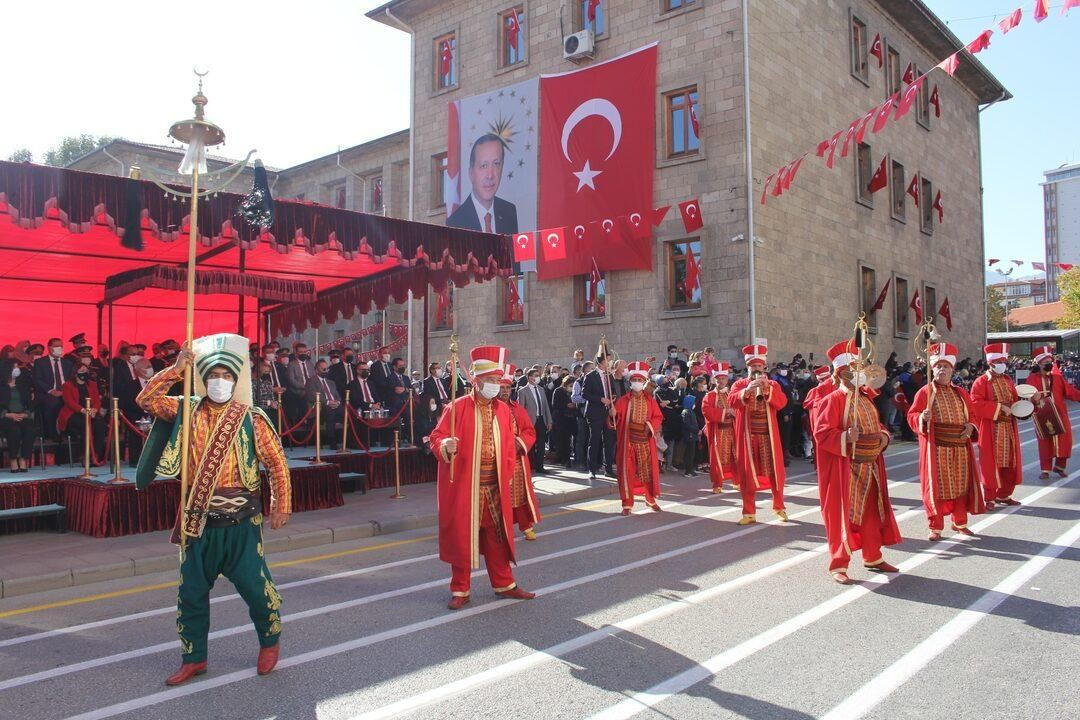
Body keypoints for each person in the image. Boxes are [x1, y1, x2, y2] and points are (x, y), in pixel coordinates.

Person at [135, 334, 290, 685]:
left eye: (226, 376)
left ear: (235, 381)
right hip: (197, 522)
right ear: (205, 380)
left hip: (241, 524)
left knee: (256, 589)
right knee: (190, 595)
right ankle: (194, 658)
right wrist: (176, 370)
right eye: (214, 376)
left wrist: (281, 505)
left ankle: (269, 641)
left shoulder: (251, 418)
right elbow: (146, 400)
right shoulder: (186, 410)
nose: (220, 381)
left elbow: (276, 464)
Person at [428, 345, 535, 609]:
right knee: (463, 537)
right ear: (477, 381)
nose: (496, 385)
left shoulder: (503, 410)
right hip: (467, 485)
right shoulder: (456, 407)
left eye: (498, 380)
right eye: (491, 380)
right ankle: (460, 589)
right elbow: (436, 437)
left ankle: (504, 584)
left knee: (497, 536)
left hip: (495, 484)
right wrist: (445, 445)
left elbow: (507, 444)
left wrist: (506, 472)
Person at [813, 340, 902, 584]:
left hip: (870, 465)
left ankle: (873, 556)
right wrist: (844, 437)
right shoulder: (832, 400)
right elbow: (821, 433)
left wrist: (883, 436)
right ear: (842, 374)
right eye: (854, 369)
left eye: (860, 368)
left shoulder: (865, 398)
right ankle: (838, 564)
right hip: (846, 468)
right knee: (842, 517)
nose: (859, 373)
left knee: (872, 513)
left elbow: (878, 425)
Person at [907, 342, 986, 541]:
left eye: (946, 366)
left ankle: (960, 522)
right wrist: (921, 418)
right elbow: (911, 415)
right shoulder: (925, 392)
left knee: (961, 486)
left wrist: (971, 426)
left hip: (960, 448)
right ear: (932, 369)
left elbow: (973, 415)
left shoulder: (961, 393)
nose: (942, 369)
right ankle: (935, 527)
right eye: (938, 366)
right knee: (936, 488)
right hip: (937, 448)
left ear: (952, 370)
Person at [729, 342, 789, 525]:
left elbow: (782, 403)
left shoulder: (773, 384)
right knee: (747, 474)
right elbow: (732, 402)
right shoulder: (739, 384)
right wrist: (746, 391)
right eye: (752, 366)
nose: (756, 369)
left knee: (775, 472)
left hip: (768, 436)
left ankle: (779, 507)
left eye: (759, 366)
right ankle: (749, 513)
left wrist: (768, 390)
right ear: (747, 367)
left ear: (764, 367)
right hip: (747, 437)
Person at [970, 343, 1023, 508]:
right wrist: (999, 408)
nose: (1002, 365)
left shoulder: (1008, 380)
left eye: (1004, 361)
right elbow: (975, 403)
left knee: (1009, 462)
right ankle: (990, 497)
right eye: (999, 362)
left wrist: (1027, 405)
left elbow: (1015, 401)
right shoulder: (981, 382)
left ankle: (1004, 494)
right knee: (990, 463)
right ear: (991, 363)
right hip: (991, 428)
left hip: (1009, 428)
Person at [613, 362, 664, 514]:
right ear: (630, 382)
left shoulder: (650, 400)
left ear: (644, 382)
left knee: (647, 473)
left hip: (645, 441)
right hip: (628, 442)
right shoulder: (623, 400)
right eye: (634, 380)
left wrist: (649, 426)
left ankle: (650, 499)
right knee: (627, 473)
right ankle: (627, 504)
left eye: (639, 380)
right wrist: (612, 415)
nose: (637, 383)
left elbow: (658, 416)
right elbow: (614, 421)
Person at [499, 365, 541, 540]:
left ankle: (525, 526)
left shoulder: (517, 408)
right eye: (502, 388)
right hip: (497, 460)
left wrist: (519, 443)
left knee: (519, 495)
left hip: (516, 459)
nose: (505, 391)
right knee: (499, 497)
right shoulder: (489, 408)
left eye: (508, 388)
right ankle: (501, 528)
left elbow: (529, 431)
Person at [1025, 345, 1080, 479]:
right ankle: (1045, 470)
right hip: (1042, 415)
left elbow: (1070, 392)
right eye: (1046, 362)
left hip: (1060, 414)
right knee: (1045, 442)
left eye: (1050, 361)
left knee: (1065, 440)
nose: (1049, 364)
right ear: (1039, 364)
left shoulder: (1057, 377)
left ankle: (1060, 466)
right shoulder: (1032, 379)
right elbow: (1027, 397)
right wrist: (1034, 399)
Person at [446, 133, 519, 234]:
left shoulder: (509, 212)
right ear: (471, 172)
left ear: (502, 168)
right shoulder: (455, 224)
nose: (490, 175)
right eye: (483, 166)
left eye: (496, 164)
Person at [58, 363, 107, 465]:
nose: (84, 373)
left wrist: (94, 410)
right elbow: (69, 402)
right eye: (81, 371)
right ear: (75, 373)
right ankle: (85, 455)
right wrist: (83, 410)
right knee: (85, 425)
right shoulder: (67, 385)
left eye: (86, 371)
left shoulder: (92, 384)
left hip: (90, 412)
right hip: (73, 414)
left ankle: (95, 454)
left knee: (100, 424)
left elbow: (97, 400)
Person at [701, 364, 736, 492]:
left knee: (736, 456)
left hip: (732, 430)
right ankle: (717, 484)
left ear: (727, 379)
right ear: (714, 380)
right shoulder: (709, 396)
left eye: (723, 378)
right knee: (717, 458)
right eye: (718, 379)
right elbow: (707, 412)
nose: (720, 381)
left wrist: (736, 413)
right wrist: (726, 412)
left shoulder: (731, 394)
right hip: (718, 431)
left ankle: (737, 480)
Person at [583, 350, 618, 478]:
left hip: (607, 412)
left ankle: (608, 469)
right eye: (608, 360)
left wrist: (612, 402)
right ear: (602, 361)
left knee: (609, 442)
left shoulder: (609, 376)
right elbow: (585, 394)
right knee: (595, 440)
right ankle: (592, 469)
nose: (610, 362)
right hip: (595, 413)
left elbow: (613, 392)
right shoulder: (590, 376)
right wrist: (600, 399)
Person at [32, 337, 73, 441]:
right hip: (48, 393)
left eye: (61, 346)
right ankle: (53, 434)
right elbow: (38, 380)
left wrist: (67, 392)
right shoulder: (40, 362)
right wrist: (51, 391)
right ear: (49, 348)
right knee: (53, 403)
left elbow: (71, 379)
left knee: (73, 403)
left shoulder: (67, 363)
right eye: (56, 346)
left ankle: (70, 432)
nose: (59, 348)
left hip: (66, 392)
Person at [1, 357, 35, 472]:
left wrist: (26, 414)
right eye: (14, 367)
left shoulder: (22, 384)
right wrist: (7, 414)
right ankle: (13, 459)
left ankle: (23, 458)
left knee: (30, 430)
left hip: (22, 415)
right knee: (14, 431)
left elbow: (30, 403)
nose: (17, 369)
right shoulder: (2, 386)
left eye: (17, 367)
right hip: (6, 416)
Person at [518, 367, 553, 475]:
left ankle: (540, 467)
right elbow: (521, 409)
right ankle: (529, 467)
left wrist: (549, 421)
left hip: (541, 420)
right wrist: (523, 424)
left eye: (538, 376)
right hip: (529, 422)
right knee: (530, 446)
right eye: (536, 376)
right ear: (529, 377)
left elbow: (546, 406)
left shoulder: (541, 389)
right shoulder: (522, 391)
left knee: (541, 445)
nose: (538, 378)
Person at [802, 365, 838, 464]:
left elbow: (806, 404)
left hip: (820, 421)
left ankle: (819, 463)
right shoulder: (836, 387)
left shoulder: (816, 390)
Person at [306, 359, 344, 449]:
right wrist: (328, 402)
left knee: (346, 412)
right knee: (330, 412)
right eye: (323, 369)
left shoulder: (331, 382)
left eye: (327, 369)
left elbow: (337, 396)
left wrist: (337, 402)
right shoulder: (311, 381)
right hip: (320, 408)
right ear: (316, 370)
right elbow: (312, 396)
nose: (326, 371)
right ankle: (332, 441)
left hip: (334, 406)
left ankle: (349, 441)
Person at [285, 343, 315, 428]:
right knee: (305, 397)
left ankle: (313, 420)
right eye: (301, 352)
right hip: (297, 391)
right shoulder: (292, 364)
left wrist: (311, 387)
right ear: (296, 353)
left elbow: (314, 377)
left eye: (305, 351)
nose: (303, 353)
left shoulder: (310, 364)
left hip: (310, 390)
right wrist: (305, 387)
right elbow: (292, 381)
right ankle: (304, 421)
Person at [551, 374, 577, 466]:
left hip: (571, 419)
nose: (571, 387)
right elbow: (555, 404)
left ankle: (568, 458)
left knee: (568, 439)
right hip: (560, 419)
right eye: (570, 385)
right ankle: (563, 458)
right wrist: (566, 405)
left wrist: (574, 406)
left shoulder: (573, 392)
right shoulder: (558, 391)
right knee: (561, 439)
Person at [679, 394, 700, 477]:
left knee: (691, 453)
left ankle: (690, 470)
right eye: (693, 402)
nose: (694, 404)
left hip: (692, 435)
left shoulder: (690, 411)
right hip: (689, 435)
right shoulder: (686, 412)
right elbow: (686, 425)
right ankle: (688, 471)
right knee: (689, 454)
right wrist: (697, 431)